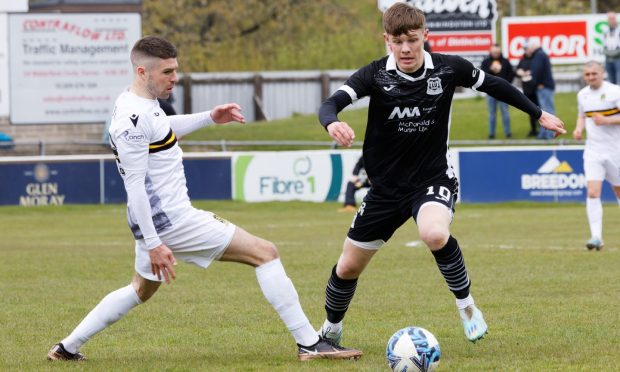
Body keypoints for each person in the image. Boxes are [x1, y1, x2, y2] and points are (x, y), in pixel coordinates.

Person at [47, 35, 362, 362]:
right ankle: (310, 343)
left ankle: (66, 348)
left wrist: (211, 116)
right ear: (143, 72)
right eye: (167, 72)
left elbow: (163, 127)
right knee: (265, 253)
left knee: (140, 290)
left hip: (155, 221)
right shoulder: (131, 120)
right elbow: (136, 186)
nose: (175, 78)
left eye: (175, 70)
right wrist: (155, 243)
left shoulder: (139, 103)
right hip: (170, 219)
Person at [316, 2, 565, 348]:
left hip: (432, 178)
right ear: (386, 39)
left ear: (425, 36)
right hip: (385, 189)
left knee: (433, 233)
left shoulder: (448, 69)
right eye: (397, 41)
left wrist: (538, 114)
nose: (405, 49)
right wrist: (333, 122)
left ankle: (467, 309)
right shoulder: (374, 74)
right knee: (347, 267)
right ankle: (330, 331)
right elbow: (330, 103)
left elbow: (494, 84)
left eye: (413, 40)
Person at [573, 61, 620, 251]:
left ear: (603, 73)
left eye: (594, 73)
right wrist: (578, 129)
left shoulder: (615, 91)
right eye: (587, 74)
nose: (591, 77)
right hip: (593, 150)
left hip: (615, 150)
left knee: (618, 191)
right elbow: (582, 115)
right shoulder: (582, 95)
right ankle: (596, 237)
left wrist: (607, 120)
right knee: (593, 192)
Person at [481, 44, 515, 139]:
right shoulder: (486, 62)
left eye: (497, 52)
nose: (496, 54)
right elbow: (482, 75)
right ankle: (491, 134)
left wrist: (507, 84)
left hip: (503, 92)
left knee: (505, 113)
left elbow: (511, 73)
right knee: (492, 114)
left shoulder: (505, 61)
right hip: (490, 92)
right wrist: (490, 70)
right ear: (491, 52)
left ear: (500, 52)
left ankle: (508, 133)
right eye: (494, 52)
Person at [527, 38, 557, 140]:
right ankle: (544, 134)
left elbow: (537, 70)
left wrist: (538, 83)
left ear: (533, 46)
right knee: (544, 111)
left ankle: (549, 134)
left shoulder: (538, 55)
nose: (528, 49)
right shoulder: (540, 54)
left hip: (544, 86)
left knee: (548, 111)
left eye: (529, 47)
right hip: (544, 86)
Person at [515, 42, 540, 137]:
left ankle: (542, 129)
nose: (526, 51)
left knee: (540, 108)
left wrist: (531, 72)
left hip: (536, 88)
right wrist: (519, 72)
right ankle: (533, 130)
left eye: (527, 49)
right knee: (530, 110)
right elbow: (516, 71)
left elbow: (538, 70)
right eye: (525, 49)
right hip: (527, 89)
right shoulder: (522, 60)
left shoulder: (536, 58)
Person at [603, 12, 620, 84]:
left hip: (618, 58)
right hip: (608, 59)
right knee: (610, 81)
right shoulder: (606, 31)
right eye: (609, 19)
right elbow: (604, 43)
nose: (611, 20)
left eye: (613, 18)